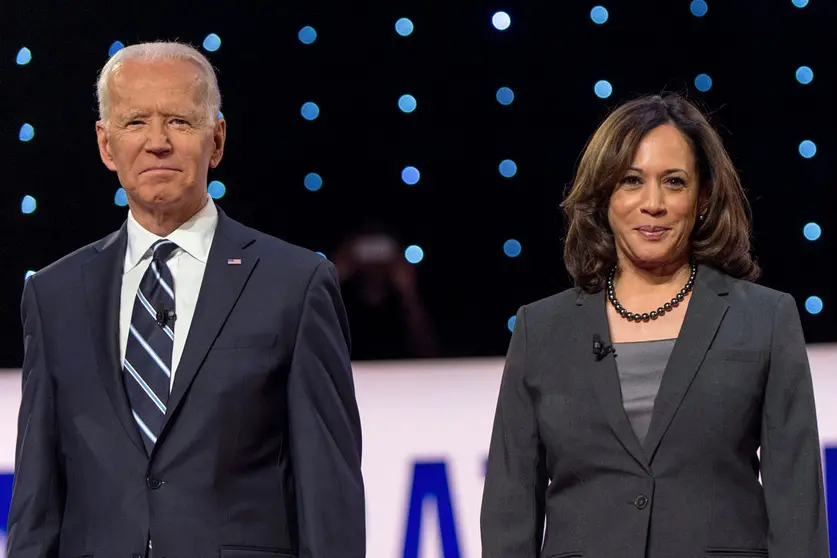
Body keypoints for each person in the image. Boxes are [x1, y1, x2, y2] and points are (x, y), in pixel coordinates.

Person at [7, 41, 365, 558]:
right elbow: (36, 498)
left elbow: (329, 492)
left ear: (216, 140)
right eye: (134, 123)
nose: (157, 142)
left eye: (179, 120)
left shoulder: (294, 282)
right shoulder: (53, 294)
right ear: (106, 146)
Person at [480, 93, 828, 557]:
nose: (653, 204)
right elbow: (510, 512)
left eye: (674, 182)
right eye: (631, 181)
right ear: (604, 195)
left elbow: (798, 507)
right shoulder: (539, 330)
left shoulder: (765, 319)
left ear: (702, 197)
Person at [332, 224, 439, 360]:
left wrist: (409, 293)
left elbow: (430, 354)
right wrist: (333, 280)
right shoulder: (343, 299)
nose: (374, 263)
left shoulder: (401, 300)